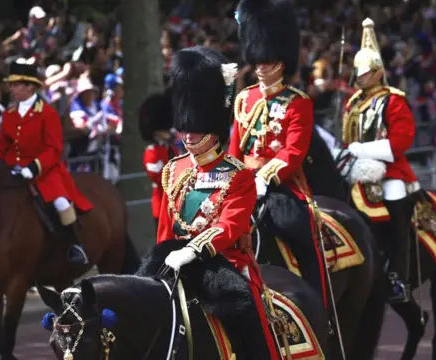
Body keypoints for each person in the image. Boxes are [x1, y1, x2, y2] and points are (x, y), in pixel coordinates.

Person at [157, 46, 279, 359]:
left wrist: (193, 250)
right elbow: (165, 224)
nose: (188, 136)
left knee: (247, 318)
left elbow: (231, 225)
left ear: (213, 129)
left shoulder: (237, 175)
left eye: (195, 130)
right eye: (185, 128)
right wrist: (163, 256)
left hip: (223, 261)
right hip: (174, 260)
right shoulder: (174, 168)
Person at [229, 0, 327, 308]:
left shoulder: (297, 101)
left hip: (281, 186)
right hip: (244, 182)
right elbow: (236, 147)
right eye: (257, 59)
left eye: (267, 60)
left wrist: (263, 178)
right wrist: (231, 178)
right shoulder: (245, 98)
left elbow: (293, 151)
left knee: (298, 233)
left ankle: (317, 302)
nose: (259, 66)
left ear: (281, 62)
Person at [340, 18, 419, 303]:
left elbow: (399, 143)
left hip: (391, 170)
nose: (358, 78)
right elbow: (346, 139)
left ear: (376, 73)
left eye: (363, 74)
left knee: (396, 208)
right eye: (357, 74)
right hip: (355, 168)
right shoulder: (352, 103)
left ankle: (399, 277)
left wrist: (361, 150)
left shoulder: (394, 100)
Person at [0, 58, 93, 265]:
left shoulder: (47, 114)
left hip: (45, 171)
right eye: (10, 84)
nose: (10, 88)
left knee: (61, 203)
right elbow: (1, 146)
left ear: (30, 86)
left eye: (15, 84)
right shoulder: (8, 114)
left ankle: (74, 245)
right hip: (13, 170)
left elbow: (53, 149)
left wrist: (32, 168)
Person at [139, 90, 178, 229]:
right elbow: (159, 177)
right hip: (162, 204)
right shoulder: (151, 152)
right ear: (155, 132)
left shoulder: (171, 148)